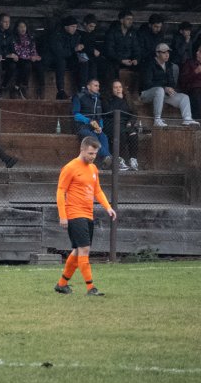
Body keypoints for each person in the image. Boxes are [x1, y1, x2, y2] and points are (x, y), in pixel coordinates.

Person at [54, 135, 117, 296]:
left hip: (88, 214)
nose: (93, 157)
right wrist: (62, 215)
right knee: (84, 249)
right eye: (90, 153)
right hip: (74, 214)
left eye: (95, 154)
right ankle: (90, 288)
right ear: (82, 149)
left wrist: (108, 207)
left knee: (77, 251)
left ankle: (61, 284)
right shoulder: (70, 167)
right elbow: (61, 191)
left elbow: (97, 191)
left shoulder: (94, 169)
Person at [140, 43, 197, 128]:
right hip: (147, 94)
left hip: (163, 94)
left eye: (168, 52)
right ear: (157, 53)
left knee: (184, 97)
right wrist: (164, 88)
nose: (167, 55)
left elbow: (172, 82)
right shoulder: (149, 64)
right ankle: (157, 119)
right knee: (159, 90)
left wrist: (170, 88)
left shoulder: (169, 65)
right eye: (164, 52)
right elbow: (147, 83)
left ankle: (187, 119)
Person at [104, 78, 142, 171]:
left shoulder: (128, 99)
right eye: (115, 87)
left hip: (126, 124)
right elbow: (110, 112)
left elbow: (134, 113)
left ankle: (133, 160)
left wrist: (131, 122)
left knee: (133, 134)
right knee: (121, 134)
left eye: (120, 87)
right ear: (111, 89)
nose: (118, 89)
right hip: (112, 123)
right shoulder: (107, 100)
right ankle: (119, 161)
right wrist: (118, 99)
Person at [71, 77, 111, 164]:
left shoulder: (98, 100)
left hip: (94, 127)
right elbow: (75, 115)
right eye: (95, 85)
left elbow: (99, 117)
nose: (98, 88)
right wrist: (88, 121)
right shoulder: (79, 96)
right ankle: (108, 158)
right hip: (81, 126)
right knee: (93, 138)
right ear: (88, 87)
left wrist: (100, 127)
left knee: (104, 137)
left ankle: (106, 160)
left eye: (98, 86)